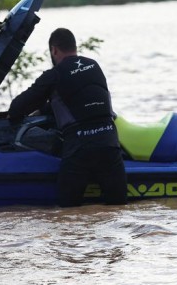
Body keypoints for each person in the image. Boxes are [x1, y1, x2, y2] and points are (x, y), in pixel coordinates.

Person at [8, 27, 127, 207]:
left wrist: (38, 110)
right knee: (117, 209)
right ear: (75, 47)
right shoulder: (94, 65)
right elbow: (80, 98)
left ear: (54, 50)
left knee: (68, 215)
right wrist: (48, 109)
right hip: (109, 144)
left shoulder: (55, 74)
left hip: (79, 150)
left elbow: (16, 108)